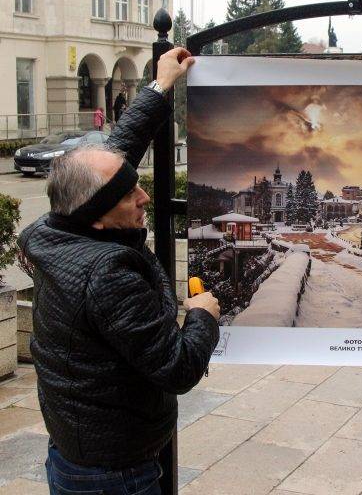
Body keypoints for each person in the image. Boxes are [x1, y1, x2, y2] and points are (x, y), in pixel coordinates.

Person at [19, 48, 220, 495]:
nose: (145, 197)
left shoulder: (58, 229)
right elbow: (178, 367)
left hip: (78, 448)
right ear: (97, 216)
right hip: (116, 473)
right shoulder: (107, 275)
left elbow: (113, 158)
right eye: (130, 196)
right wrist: (203, 316)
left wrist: (160, 85)